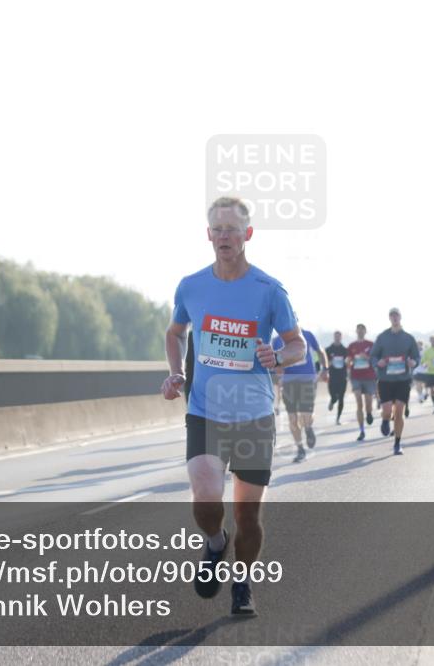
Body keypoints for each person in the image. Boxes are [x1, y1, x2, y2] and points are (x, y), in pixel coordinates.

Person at [162, 197, 306, 617]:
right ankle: (214, 542)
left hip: (254, 416)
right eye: (218, 229)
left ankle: (242, 581)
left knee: (248, 515)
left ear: (248, 234)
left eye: (232, 229)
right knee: (206, 498)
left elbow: (296, 344)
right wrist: (176, 372)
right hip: (205, 411)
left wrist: (277, 356)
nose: (224, 236)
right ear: (208, 234)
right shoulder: (191, 286)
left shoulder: (269, 290)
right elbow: (175, 332)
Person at [274, 325, 328, 462]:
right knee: (292, 418)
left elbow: (320, 351)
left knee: (305, 415)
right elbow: (274, 362)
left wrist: (325, 369)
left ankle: (308, 428)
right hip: (288, 382)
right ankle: (300, 449)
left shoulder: (307, 335)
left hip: (307, 379)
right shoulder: (277, 340)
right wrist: (277, 372)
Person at [370, 308, 420, 455]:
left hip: (403, 380)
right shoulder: (382, 337)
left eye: (396, 315)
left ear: (400, 317)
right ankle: (385, 420)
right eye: (392, 315)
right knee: (387, 411)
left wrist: (414, 362)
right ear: (389, 318)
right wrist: (377, 363)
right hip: (385, 379)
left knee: (399, 411)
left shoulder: (409, 338)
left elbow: (416, 357)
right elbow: (373, 356)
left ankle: (397, 443)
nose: (394, 318)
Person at [347, 323, 377, 441]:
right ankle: (362, 430)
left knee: (368, 403)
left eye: (362, 330)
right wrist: (349, 362)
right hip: (356, 377)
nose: (360, 331)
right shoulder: (351, 346)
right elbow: (348, 361)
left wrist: (367, 358)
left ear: (365, 331)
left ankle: (369, 413)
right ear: (356, 331)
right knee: (359, 403)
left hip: (369, 377)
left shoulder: (371, 344)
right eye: (358, 329)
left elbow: (375, 360)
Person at [325, 331, 349, 425]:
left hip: (342, 376)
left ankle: (338, 418)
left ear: (341, 337)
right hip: (332, 376)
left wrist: (347, 363)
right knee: (334, 396)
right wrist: (328, 364)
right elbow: (323, 362)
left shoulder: (345, 350)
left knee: (341, 397)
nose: (337, 338)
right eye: (336, 336)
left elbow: (349, 361)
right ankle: (332, 401)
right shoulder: (328, 349)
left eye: (339, 336)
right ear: (334, 337)